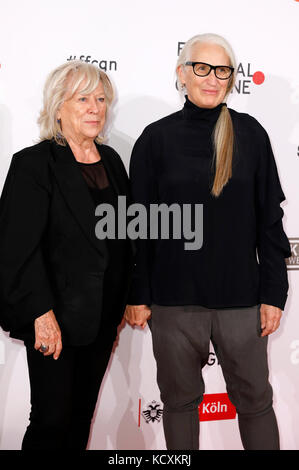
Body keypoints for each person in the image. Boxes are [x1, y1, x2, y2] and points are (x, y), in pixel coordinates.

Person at [125, 33, 291, 450]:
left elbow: (270, 222)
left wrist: (274, 292)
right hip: (174, 303)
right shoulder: (155, 139)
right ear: (182, 73)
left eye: (222, 70)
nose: (212, 78)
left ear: (232, 78)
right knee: (179, 404)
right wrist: (138, 293)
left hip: (241, 302)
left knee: (255, 403)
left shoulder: (251, 135)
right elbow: (140, 227)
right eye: (201, 67)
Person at [0, 60, 134, 450]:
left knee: (80, 419)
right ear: (58, 107)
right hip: (54, 320)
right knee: (51, 420)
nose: (95, 108)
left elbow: (124, 239)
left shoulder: (112, 161)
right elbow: (15, 250)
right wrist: (41, 315)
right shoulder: (33, 164)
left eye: (101, 99)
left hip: (102, 318)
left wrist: (123, 303)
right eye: (83, 99)